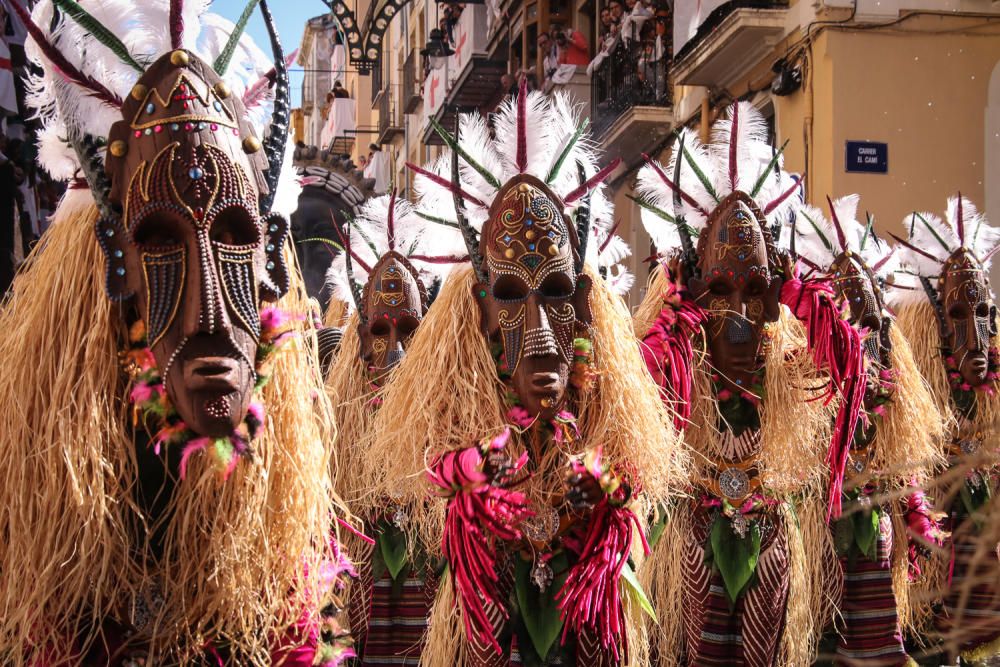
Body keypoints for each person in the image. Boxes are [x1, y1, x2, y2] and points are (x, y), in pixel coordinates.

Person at [0, 1, 352, 663]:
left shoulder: (285, 528)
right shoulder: (48, 506)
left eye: (234, 238)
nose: (210, 316)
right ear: (111, 261)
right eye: (160, 241)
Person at [364, 81, 685, 665]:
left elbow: (635, 474)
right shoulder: (463, 391)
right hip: (490, 617)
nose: (537, 328)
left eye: (557, 294)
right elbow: (433, 470)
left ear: (584, 302)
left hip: (584, 618)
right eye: (512, 296)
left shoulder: (605, 397)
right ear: (483, 310)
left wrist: (604, 486)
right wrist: (481, 471)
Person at [634, 102, 867, 665]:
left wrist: (792, 295)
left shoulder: (787, 365)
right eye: (718, 290)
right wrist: (678, 308)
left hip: (771, 532)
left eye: (754, 291)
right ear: (694, 291)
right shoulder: (676, 362)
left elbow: (848, 369)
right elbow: (638, 388)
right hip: (692, 533)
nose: (737, 318)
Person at [792, 195, 946, 665]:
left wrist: (920, 517)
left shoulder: (890, 400)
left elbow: (907, 476)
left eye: (873, 326)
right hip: (817, 542)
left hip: (876, 540)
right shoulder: (796, 390)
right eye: (849, 329)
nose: (864, 343)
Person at [324, 192, 460, 664]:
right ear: (361, 340)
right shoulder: (333, 436)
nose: (396, 353)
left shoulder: (455, 420)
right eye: (381, 332)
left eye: (409, 331)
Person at [890, 196, 1000, 663]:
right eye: (957, 316)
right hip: (927, 582)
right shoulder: (908, 403)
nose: (976, 334)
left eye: (985, 316)